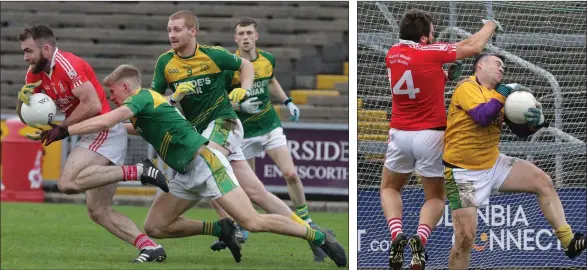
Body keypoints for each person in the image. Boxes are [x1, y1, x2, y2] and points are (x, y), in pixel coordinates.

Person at [40, 64, 348, 266]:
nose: (111, 97)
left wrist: (65, 130)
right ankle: (219, 228)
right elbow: (115, 125)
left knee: (253, 221)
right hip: (185, 174)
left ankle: (318, 236)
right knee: (155, 226)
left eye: (113, 91)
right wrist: (62, 124)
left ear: (126, 87)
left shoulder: (145, 97)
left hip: (206, 163)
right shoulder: (139, 112)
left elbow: (112, 119)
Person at [150, 10, 345, 265]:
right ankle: (310, 235)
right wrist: (173, 99)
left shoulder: (213, 54)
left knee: (211, 168)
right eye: (169, 30)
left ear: (192, 31)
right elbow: (155, 104)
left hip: (225, 125)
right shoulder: (165, 63)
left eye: (177, 29)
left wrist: (244, 88)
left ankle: (237, 223)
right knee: (255, 193)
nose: (172, 34)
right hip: (203, 138)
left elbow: (246, 66)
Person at [16, 24, 169, 263]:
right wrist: (20, 101)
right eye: (23, 52)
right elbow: (28, 112)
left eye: (28, 51)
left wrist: (63, 128)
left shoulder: (69, 65)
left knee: (67, 182)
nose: (25, 57)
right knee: (98, 211)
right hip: (93, 133)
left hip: (102, 129)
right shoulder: (33, 74)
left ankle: (139, 170)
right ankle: (150, 247)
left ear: (46, 49)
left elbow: (93, 106)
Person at [382, 9, 503, 270]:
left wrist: (445, 76)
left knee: (390, 188)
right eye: (433, 34)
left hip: (399, 134)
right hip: (431, 135)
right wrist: (490, 25)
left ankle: (396, 235)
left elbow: (414, 81)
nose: (435, 38)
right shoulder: (430, 52)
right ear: (424, 39)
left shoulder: (391, 55)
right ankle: (420, 238)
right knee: (435, 197)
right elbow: (474, 46)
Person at [443, 53, 586, 269]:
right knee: (465, 239)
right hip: (462, 173)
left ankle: (568, 241)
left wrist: (536, 123)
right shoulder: (467, 87)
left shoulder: (500, 96)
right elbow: (482, 116)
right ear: (480, 65)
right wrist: (504, 92)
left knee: (543, 181)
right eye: (497, 64)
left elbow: (519, 132)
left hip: (493, 163)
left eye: (504, 67)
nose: (502, 69)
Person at [209, 17, 328, 261]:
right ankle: (242, 226)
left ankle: (305, 218)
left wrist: (287, 101)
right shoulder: (229, 66)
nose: (245, 37)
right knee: (249, 190)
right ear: (235, 38)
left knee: (291, 174)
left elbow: (271, 80)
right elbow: (219, 100)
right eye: (241, 33)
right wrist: (238, 105)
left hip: (269, 125)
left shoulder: (267, 60)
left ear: (256, 36)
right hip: (243, 132)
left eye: (249, 33)